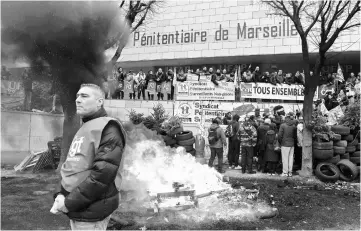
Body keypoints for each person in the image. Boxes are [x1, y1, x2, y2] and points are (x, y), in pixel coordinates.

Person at [51, 83, 126, 230]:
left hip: (91, 211)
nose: (78, 100)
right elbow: (73, 166)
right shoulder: (87, 126)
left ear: (99, 102)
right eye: (78, 96)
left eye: (84, 96)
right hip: (79, 208)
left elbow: (102, 176)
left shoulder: (109, 128)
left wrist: (68, 203)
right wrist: (60, 193)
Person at [278, 112, 297, 177]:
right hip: (292, 144)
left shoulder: (282, 125)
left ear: (286, 118)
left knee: (285, 158)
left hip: (284, 144)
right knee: (291, 158)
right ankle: (290, 172)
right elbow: (295, 136)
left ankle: (285, 172)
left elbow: (280, 135)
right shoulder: (294, 126)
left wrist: (280, 142)